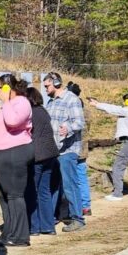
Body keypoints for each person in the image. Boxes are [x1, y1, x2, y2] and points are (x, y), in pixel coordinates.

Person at [0, 74, 34, 248]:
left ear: (8, 88)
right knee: (5, 196)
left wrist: (6, 101)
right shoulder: (7, 106)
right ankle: (9, 231)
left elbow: (13, 121)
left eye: (0, 87)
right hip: (2, 152)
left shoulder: (21, 102)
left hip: (15, 151)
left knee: (15, 195)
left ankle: (20, 235)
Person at [43, 72, 86, 232]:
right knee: (53, 186)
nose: (45, 88)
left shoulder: (72, 100)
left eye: (47, 85)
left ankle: (78, 219)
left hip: (68, 150)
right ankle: (52, 218)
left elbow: (79, 122)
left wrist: (67, 128)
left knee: (70, 185)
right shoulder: (50, 102)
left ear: (56, 83)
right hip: (53, 150)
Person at [24, 86, 60, 236]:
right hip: (50, 154)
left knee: (32, 191)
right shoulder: (43, 111)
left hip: (38, 155)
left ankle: (34, 227)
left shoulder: (31, 113)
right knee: (44, 191)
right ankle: (48, 226)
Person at [67, 81, 93, 218]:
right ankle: (85, 206)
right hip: (83, 148)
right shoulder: (85, 110)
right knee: (81, 178)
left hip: (73, 147)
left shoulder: (72, 106)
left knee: (72, 179)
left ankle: (76, 207)